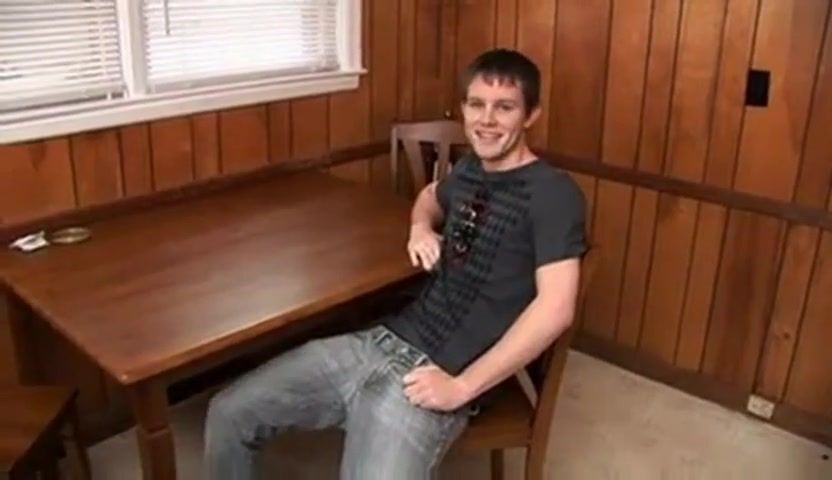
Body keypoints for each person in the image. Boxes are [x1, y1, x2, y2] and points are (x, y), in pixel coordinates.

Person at [203, 48, 587, 480]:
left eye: (504, 107)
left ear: (531, 115)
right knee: (228, 412)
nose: (486, 119)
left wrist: (462, 387)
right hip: (379, 342)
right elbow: (429, 196)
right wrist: (420, 228)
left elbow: (556, 308)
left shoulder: (554, 194)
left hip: (440, 373)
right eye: (476, 104)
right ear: (463, 108)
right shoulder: (469, 170)